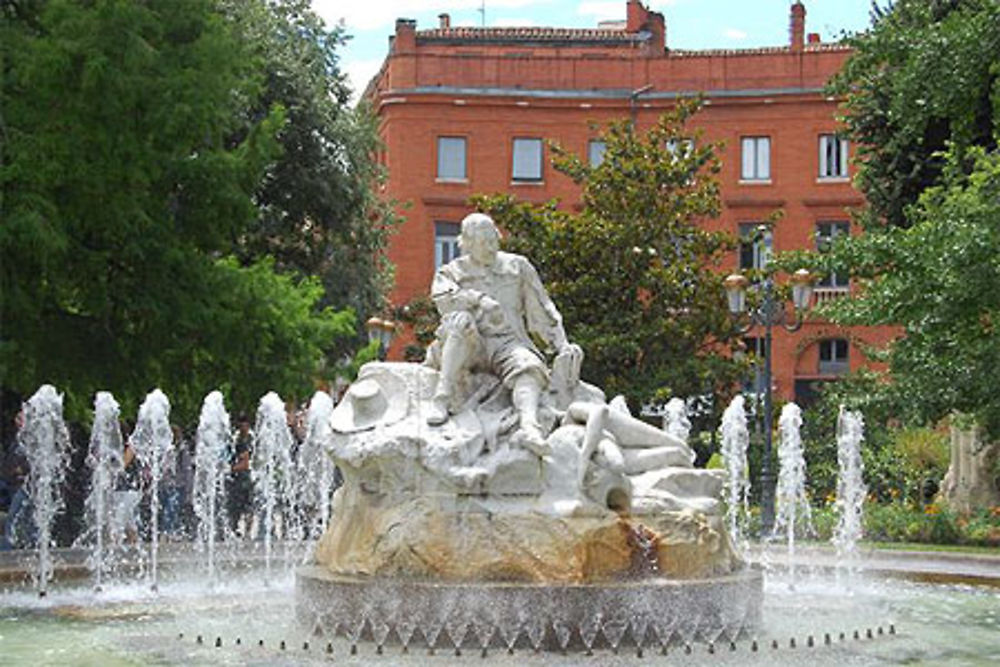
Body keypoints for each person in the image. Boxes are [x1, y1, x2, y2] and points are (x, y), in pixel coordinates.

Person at [426, 212, 583, 455]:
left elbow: (542, 308)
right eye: (483, 243)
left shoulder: (517, 267)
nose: (490, 248)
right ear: (466, 244)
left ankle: (529, 427)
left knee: (529, 365)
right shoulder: (452, 272)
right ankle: (442, 398)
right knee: (459, 320)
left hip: (508, 343)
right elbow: (443, 300)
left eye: (493, 241)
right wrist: (478, 300)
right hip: (471, 346)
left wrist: (562, 344)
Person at [227, 415, 253, 537]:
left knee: (247, 505)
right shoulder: (236, 439)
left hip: (246, 478)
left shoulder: (250, 439)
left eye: (244, 425)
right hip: (236, 478)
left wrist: (229, 469)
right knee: (235, 506)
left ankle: (247, 531)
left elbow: (246, 462)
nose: (242, 428)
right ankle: (235, 528)